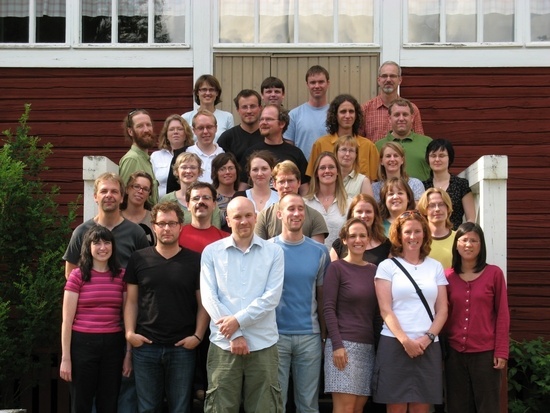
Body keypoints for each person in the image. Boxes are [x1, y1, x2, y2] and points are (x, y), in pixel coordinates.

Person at [63, 173, 149, 413]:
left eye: (114, 191)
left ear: (122, 197)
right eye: (104, 191)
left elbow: (145, 275)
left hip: (123, 327)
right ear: (95, 196)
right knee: (84, 398)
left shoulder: (136, 233)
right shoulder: (82, 231)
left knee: (117, 394)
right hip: (87, 331)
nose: (109, 195)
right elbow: (70, 274)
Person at [200, 197, 285, 413]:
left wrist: (237, 321)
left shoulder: (274, 252)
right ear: (227, 220)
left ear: (256, 217)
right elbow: (209, 297)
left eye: (248, 215)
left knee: (264, 407)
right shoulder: (211, 252)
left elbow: (271, 297)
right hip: (223, 344)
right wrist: (235, 334)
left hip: (263, 343)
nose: (243, 221)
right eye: (237, 216)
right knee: (220, 407)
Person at [124, 201, 209, 413]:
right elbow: (131, 301)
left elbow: (203, 304)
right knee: (147, 408)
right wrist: (129, 333)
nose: (166, 228)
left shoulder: (195, 260)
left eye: (172, 223)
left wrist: (197, 337)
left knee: (180, 408)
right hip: (145, 347)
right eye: (161, 223)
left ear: (181, 226)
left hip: (182, 348)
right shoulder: (139, 259)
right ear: (154, 226)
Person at [373, 210, 448, 412]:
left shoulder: (435, 267)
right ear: (399, 235)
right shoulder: (387, 266)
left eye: (417, 231)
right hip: (394, 343)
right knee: (395, 407)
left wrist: (427, 338)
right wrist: (405, 341)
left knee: (421, 408)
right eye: (407, 232)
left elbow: (442, 310)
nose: (412, 237)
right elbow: (385, 309)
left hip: (428, 346)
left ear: (424, 234)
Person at [271, 193, 330, 413]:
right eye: (290, 209)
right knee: (276, 403)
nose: (296, 213)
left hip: (309, 337)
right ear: (279, 214)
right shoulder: (267, 249)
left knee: (308, 405)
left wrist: (324, 336)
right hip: (275, 336)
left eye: (300, 209)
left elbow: (323, 298)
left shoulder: (320, 252)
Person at [60, 225, 129, 413]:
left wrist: (128, 353)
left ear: (113, 247)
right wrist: (66, 358)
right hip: (82, 344)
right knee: (81, 402)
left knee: (109, 402)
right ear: (88, 247)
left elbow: (128, 315)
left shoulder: (122, 276)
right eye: (96, 243)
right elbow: (67, 321)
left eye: (107, 242)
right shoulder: (77, 276)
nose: (102, 247)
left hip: (113, 345)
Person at [445, 222, 510, 413]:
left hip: (486, 354)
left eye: (474, 240)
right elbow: (443, 314)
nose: (468, 244)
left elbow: (503, 314)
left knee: (487, 406)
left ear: (481, 245)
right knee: (457, 407)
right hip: (454, 353)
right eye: (464, 240)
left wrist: (501, 351)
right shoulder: (447, 276)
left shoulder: (494, 274)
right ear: (456, 244)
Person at [324, 218, 378, 413]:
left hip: (367, 347)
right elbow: (328, 308)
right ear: (344, 240)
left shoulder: (374, 271)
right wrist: (337, 345)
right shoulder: (336, 268)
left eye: (362, 235)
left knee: (357, 408)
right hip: (342, 346)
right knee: (344, 408)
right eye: (352, 236)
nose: (358, 240)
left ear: (369, 239)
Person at [240, 104, 310, 194]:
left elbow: (304, 189)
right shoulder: (251, 153)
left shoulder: (295, 153)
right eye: (261, 119)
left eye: (268, 119)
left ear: (282, 123)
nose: (263, 122)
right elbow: (242, 188)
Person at [307, 94, 378, 181]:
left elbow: (375, 181)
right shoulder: (320, 144)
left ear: (356, 115)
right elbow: (312, 179)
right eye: (343, 112)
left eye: (351, 111)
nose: (347, 116)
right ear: (335, 115)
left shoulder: (369, 146)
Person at [255, 160, 328, 244]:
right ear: (274, 184)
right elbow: (259, 251)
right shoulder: (264, 217)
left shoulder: (315, 217)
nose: (286, 186)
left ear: (299, 182)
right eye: (281, 182)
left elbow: (317, 253)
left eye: (290, 181)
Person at [361, 61, 424, 142]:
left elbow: (419, 140)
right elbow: (359, 142)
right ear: (378, 80)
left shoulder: (412, 109)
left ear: (400, 80)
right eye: (384, 76)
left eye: (392, 76)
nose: (388, 80)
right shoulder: (365, 109)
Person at [423, 139, 475, 230]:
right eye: (433, 156)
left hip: (455, 238)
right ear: (428, 158)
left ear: (449, 158)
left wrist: (462, 236)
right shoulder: (423, 186)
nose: (437, 159)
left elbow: (471, 219)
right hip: (430, 239)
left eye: (442, 155)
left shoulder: (461, 184)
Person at [375, 99, 432, 181]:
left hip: (422, 192)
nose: (401, 118)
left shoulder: (427, 143)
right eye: (397, 115)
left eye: (405, 114)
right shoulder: (378, 146)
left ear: (412, 118)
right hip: (388, 192)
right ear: (389, 119)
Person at [161, 152, 222, 228]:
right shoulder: (166, 200)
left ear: (199, 172)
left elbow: (215, 231)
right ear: (177, 171)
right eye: (184, 167)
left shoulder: (208, 199)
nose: (188, 171)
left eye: (193, 167)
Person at [304, 152, 350, 248]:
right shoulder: (305, 203)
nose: (327, 171)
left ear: (337, 171)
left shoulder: (350, 203)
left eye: (331, 167)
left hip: (340, 260)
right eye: (322, 168)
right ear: (316, 173)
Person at [284, 65, 331, 160]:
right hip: (302, 171)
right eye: (313, 82)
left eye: (321, 82)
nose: (317, 86)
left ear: (328, 83)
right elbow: (288, 148)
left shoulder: (336, 114)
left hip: (329, 171)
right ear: (307, 85)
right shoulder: (294, 115)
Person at [330, 194, 391, 266]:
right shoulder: (339, 245)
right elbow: (333, 273)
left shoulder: (387, 246)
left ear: (375, 215)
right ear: (352, 214)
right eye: (359, 211)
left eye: (368, 211)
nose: (364, 216)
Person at [119, 109, 159, 204]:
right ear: (130, 132)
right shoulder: (132, 159)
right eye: (140, 126)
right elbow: (123, 198)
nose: (146, 130)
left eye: (148, 125)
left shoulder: (146, 159)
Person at [178, 182, 230, 254]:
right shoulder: (176, 236)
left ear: (214, 205)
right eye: (196, 198)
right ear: (188, 205)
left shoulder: (226, 239)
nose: (201, 201)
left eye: (206, 198)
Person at [151, 114, 194, 199]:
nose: (175, 132)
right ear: (166, 135)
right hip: (161, 204)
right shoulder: (156, 156)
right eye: (171, 129)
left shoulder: (193, 154)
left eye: (180, 129)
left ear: (186, 134)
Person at [182, 74, 234, 142]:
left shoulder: (227, 117)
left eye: (211, 89)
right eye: (204, 89)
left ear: (217, 93)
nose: (208, 93)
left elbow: (231, 143)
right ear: (197, 92)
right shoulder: (186, 117)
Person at [218, 89, 263, 165]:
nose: (249, 111)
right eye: (244, 107)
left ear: (260, 108)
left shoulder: (268, 136)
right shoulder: (227, 138)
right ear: (238, 110)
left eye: (252, 106)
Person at [418, 188, 455, 269]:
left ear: (448, 208)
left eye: (441, 204)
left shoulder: (459, 238)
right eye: (431, 205)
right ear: (424, 210)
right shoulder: (418, 239)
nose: (437, 209)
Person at [186, 110, 225, 184]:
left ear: (216, 128)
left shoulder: (223, 154)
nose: (205, 131)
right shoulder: (187, 153)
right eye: (200, 128)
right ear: (194, 130)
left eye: (209, 127)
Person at [120, 171, 156, 246]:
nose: (140, 191)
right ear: (127, 189)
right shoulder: (115, 217)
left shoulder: (155, 219)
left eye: (145, 189)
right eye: (136, 186)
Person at [211, 152, 241, 230]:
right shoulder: (211, 197)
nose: (227, 172)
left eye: (231, 168)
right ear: (216, 173)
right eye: (222, 169)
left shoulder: (243, 196)